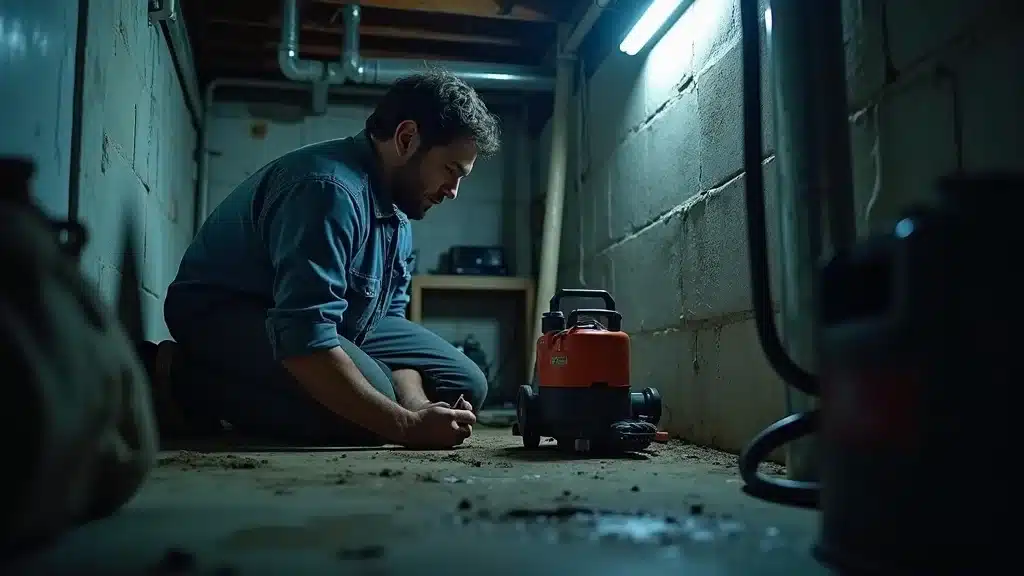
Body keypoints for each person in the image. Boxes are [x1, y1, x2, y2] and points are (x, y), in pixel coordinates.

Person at [144, 70, 501, 450]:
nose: (454, 191)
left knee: (465, 384)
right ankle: (181, 379)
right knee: (364, 420)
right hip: (226, 313)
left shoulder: (399, 213)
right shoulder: (327, 191)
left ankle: (363, 402)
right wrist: (406, 427)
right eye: (450, 170)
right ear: (407, 139)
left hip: (316, 322)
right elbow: (305, 335)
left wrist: (416, 404)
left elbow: (390, 326)